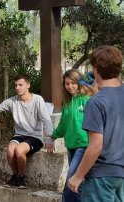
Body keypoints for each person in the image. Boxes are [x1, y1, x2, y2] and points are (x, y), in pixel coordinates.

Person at [68, 45, 124, 202]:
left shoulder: (96, 103)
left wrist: (78, 175)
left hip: (101, 176)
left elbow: (96, 146)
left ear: (96, 69)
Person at [52, 69, 92, 202]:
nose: (70, 86)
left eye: (73, 83)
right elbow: (63, 125)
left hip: (84, 146)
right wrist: (52, 136)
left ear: (79, 82)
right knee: (77, 184)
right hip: (71, 147)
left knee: (71, 179)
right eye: (67, 83)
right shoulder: (67, 102)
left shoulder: (87, 100)